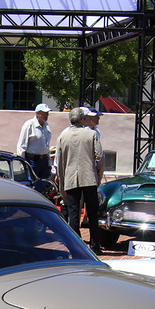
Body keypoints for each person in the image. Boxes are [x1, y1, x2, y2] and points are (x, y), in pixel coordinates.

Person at [57, 107, 104, 252]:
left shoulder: (62, 137)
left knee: (73, 214)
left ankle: (75, 247)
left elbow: (60, 164)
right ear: (82, 119)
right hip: (88, 177)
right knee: (92, 213)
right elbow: (100, 157)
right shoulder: (91, 134)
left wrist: (63, 184)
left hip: (71, 179)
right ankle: (95, 246)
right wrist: (98, 175)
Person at [16, 103, 52, 179]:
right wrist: (22, 164)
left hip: (44, 161)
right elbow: (21, 146)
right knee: (32, 183)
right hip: (32, 161)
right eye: (44, 113)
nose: (47, 115)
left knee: (44, 185)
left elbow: (46, 145)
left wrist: (49, 163)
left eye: (47, 113)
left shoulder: (46, 125)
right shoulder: (29, 125)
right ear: (37, 113)